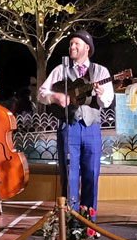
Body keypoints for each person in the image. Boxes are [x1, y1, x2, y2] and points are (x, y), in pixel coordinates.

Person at [38, 30, 114, 212]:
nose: (72, 47)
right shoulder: (60, 70)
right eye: (71, 44)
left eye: (76, 44)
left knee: (92, 173)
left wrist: (102, 94)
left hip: (91, 128)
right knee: (69, 174)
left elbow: (107, 101)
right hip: (68, 126)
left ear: (87, 48)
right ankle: (70, 218)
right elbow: (42, 93)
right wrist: (55, 97)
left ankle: (89, 219)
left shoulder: (100, 71)